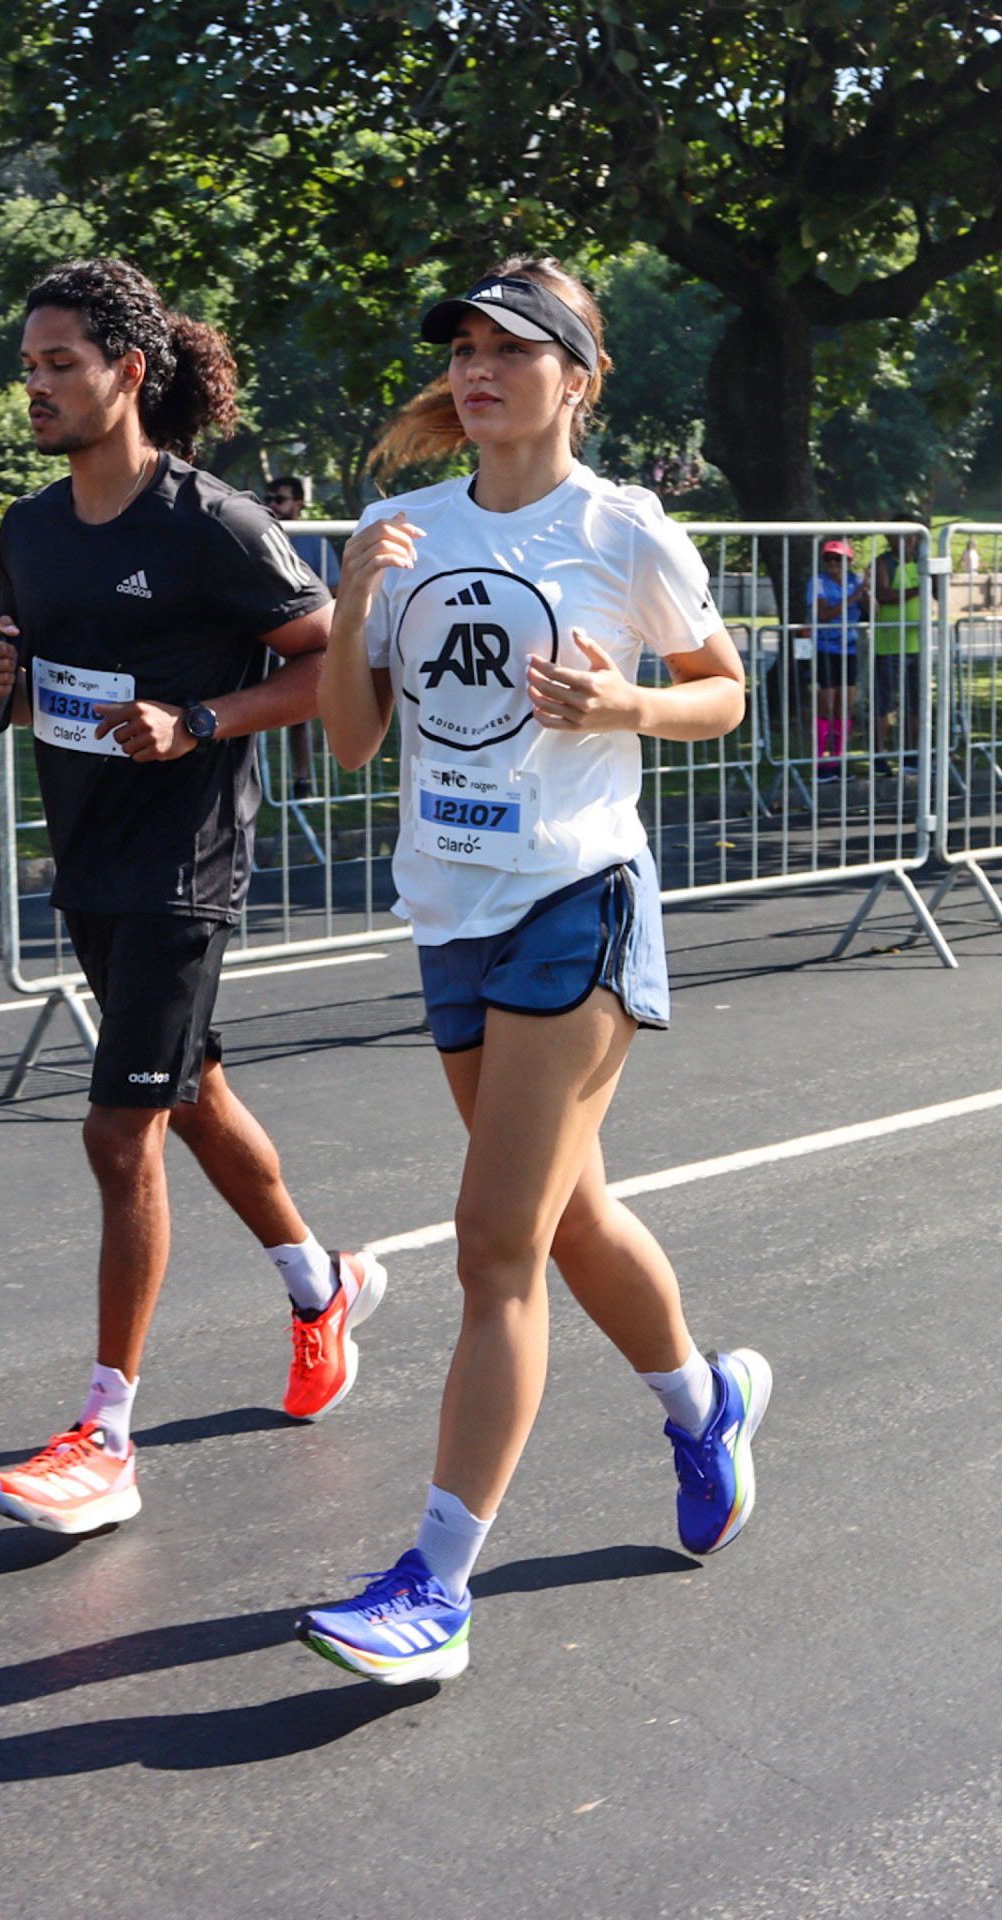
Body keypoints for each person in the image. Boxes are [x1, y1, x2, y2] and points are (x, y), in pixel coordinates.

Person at [296, 258, 772, 1685]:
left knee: (493, 1240)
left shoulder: (621, 529)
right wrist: (349, 607)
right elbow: (352, 741)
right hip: (449, 909)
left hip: (577, 898)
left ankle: (434, 1587)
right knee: (567, 1217)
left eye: (512, 347)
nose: (478, 368)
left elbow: (725, 691)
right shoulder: (398, 532)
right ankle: (703, 1405)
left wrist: (626, 702)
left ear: (578, 377)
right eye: (463, 348)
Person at [0, 258, 386, 1536]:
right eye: (28, 367)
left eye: (61, 365)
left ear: (129, 373)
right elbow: (31, 662)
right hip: (89, 851)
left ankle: (106, 1436)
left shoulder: (214, 524)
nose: (36, 387)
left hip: (185, 862)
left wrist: (200, 718)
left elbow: (333, 668)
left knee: (119, 1131)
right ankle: (320, 1286)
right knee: (188, 1091)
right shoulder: (30, 527)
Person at [265, 476, 342, 799]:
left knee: (301, 715)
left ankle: (301, 781)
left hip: (304, 645)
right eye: (268, 498)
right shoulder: (257, 535)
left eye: (280, 499)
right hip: (263, 645)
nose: (272, 505)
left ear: (298, 504)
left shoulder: (315, 542)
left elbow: (336, 589)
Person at [805, 539, 866, 779]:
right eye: (828, 559)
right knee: (827, 706)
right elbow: (823, 614)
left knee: (845, 706)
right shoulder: (818, 582)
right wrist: (853, 598)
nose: (833, 563)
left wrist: (867, 592)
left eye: (838, 559)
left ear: (848, 562)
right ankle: (819, 761)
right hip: (824, 648)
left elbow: (875, 611)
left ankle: (837, 760)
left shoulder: (856, 581)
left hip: (848, 650)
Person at [871, 523, 922, 772]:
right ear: (889, 538)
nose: (906, 540)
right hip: (888, 647)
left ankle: (912, 757)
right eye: (899, 536)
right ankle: (878, 757)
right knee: (884, 705)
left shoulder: (922, 562)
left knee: (916, 704)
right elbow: (883, 594)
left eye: (910, 536)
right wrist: (919, 589)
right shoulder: (883, 563)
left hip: (917, 646)